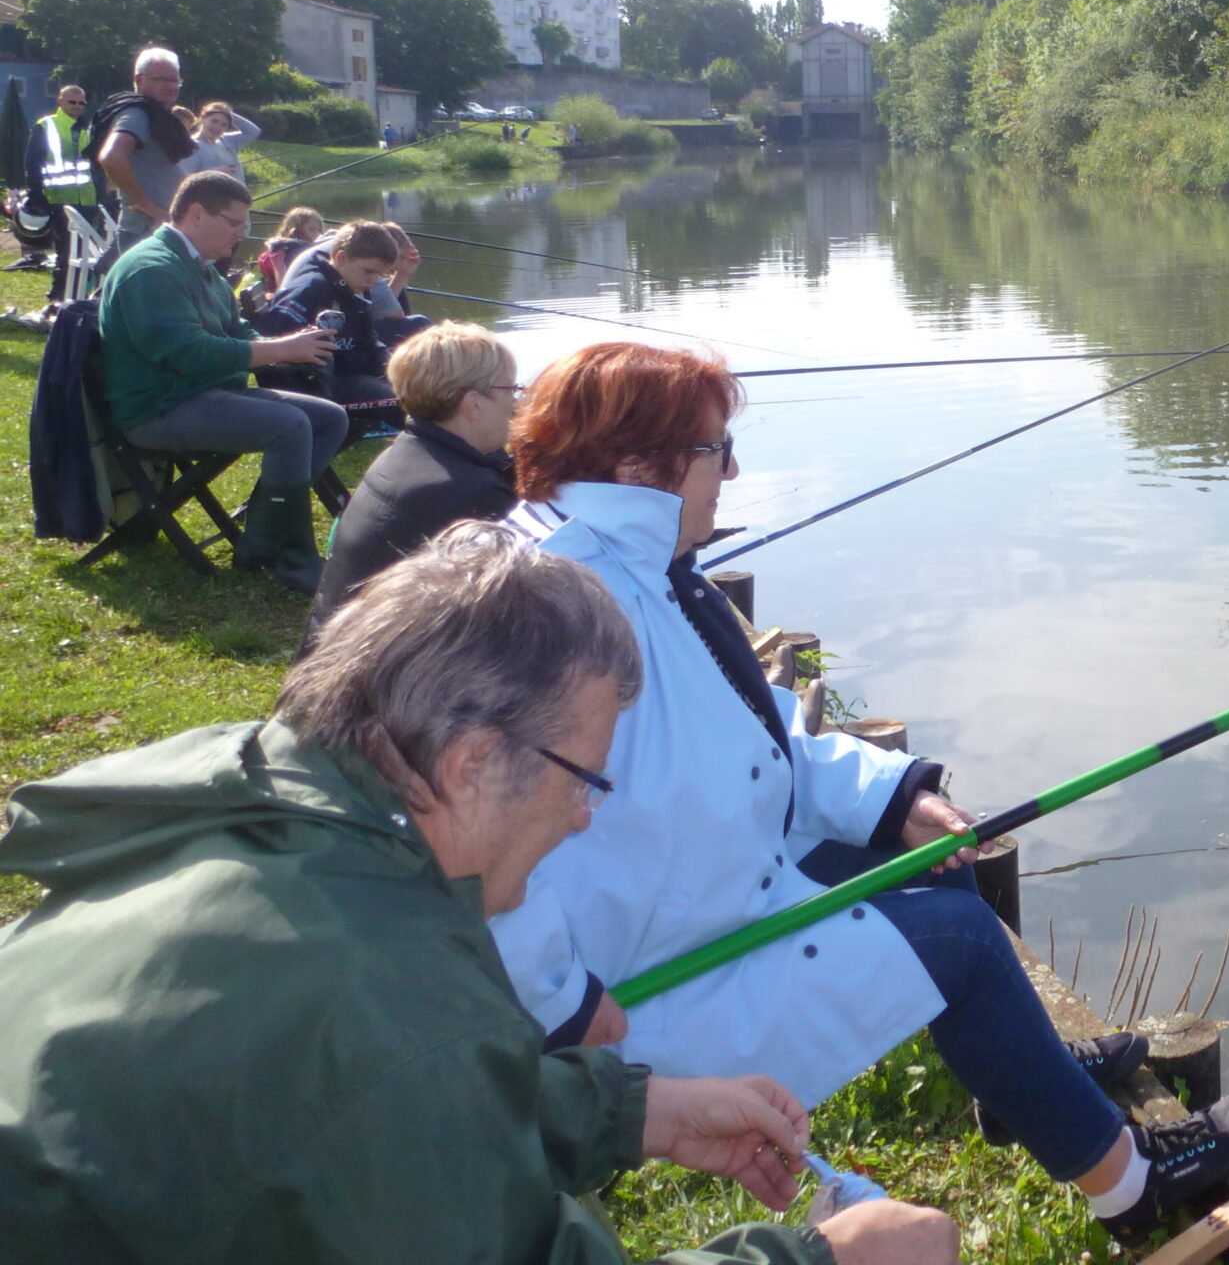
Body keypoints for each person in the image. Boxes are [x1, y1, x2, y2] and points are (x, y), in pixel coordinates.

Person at [0, 526, 959, 1265]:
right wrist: (826, 1254)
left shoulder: (247, 821)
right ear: (470, 765)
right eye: (584, 776)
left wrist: (633, 1114)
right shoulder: (391, 992)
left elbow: (353, 1110)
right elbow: (394, 1080)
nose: (584, 817)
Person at [489, 344, 1229, 1243]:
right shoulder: (565, 604)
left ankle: (1025, 1082)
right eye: (715, 451)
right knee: (964, 943)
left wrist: (896, 801)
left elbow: (758, 733)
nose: (731, 471)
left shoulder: (636, 562)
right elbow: (476, 840)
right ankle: (1130, 1190)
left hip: (696, 893)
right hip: (638, 987)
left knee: (933, 862)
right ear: (638, 466)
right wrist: (565, 1006)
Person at [97, 169, 347, 594]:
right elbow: (190, 354)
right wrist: (283, 350)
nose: (241, 234)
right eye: (234, 223)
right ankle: (296, 557)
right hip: (159, 407)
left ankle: (259, 542)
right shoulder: (151, 269)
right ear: (196, 214)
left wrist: (290, 344)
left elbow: (237, 334)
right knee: (289, 427)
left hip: (201, 392)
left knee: (329, 418)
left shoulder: (203, 269)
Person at [303, 322, 520, 641]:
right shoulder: (469, 494)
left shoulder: (412, 452)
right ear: (473, 403)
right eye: (511, 390)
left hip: (335, 666)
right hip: (381, 682)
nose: (516, 404)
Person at [251, 219, 400, 417]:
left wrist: (397, 369)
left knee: (411, 393)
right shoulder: (311, 288)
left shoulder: (352, 287)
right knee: (398, 404)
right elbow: (272, 337)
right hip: (311, 386)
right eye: (369, 271)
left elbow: (368, 341)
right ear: (341, 258)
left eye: (380, 275)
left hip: (344, 371)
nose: (373, 281)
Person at [91, 46, 197, 266]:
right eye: (161, 79)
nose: (170, 87)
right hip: (145, 230)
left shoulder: (155, 115)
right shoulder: (137, 114)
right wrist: (148, 205)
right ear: (139, 80)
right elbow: (111, 156)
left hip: (160, 230)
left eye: (175, 81)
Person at [21, 81, 106, 308]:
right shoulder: (47, 125)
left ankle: (82, 297)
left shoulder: (88, 128)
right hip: (59, 197)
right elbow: (33, 161)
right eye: (72, 102)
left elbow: (95, 164)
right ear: (60, 101)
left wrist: (101, 193)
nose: (78, 106)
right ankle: (58, 297)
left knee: (89, 253)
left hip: (87, 199)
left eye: (82, 103)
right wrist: (36, 194)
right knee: (66, 252)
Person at [186, 99, 263, 179]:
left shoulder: (228, 140)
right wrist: (214, 173)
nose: (217, 127)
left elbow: (254, 132)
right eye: (214, 121)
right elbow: (186, 179)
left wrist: (227, 112)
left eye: (223, 125)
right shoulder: (192, 146)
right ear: (203, 118)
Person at [257, 205, 326, 289]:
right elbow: (282, 287)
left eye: (319, 230)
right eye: (311, 229)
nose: (318, 234)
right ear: (295, 231)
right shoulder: (279, 253)